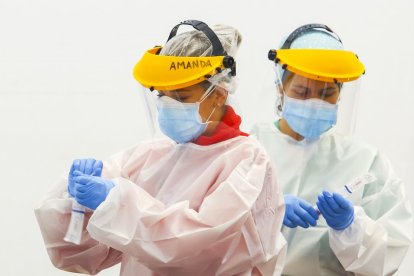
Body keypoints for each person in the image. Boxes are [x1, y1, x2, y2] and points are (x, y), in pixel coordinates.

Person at [35, 20, 287, 276]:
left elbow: (193, 248)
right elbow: (78, 254)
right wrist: (77, 201)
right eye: (162, 96)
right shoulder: (149, 155)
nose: (169, 105)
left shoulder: (248, 161)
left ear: (219, 95)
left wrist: (117, 203)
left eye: (181, 96)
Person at [252, 23, 413, 275]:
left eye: (327, 93)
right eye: (302, 91)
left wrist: (351, 227)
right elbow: (215, 232)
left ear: (340, 95)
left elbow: (388, 255)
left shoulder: (366, 161)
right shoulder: (248, 148)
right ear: (280, 89)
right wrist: (262, 212)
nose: (314, 102)